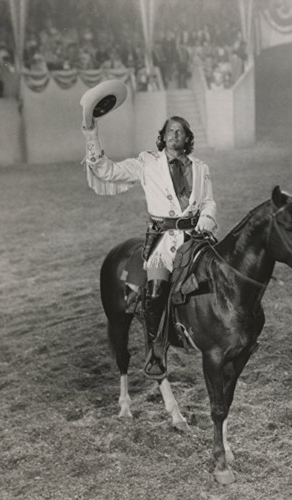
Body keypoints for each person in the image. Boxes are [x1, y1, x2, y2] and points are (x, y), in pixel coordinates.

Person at [81, 103, 217, 379]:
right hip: (163, 241)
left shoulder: (200, 168)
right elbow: (107, 171)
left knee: (221, 275)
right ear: (162, 136)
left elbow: (209, 201)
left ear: (187, 138)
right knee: (156, 291)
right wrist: (91, 135)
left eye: (180, 131)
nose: (174, 135)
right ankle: (157, 351)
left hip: (196, 236)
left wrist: (206, 219)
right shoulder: (147, 163)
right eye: (169, 131)